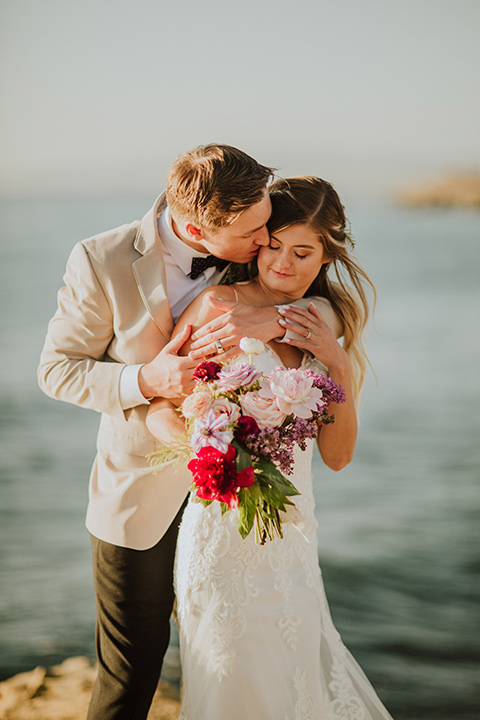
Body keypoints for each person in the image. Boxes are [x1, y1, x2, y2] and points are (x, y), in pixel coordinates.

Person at [37, 144, 315, 720]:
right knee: (132, 668)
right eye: (253, 233)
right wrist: (146, 378)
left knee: (237, 654)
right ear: (196, 227)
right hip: (136, 493)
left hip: (238, 502)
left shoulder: (255, 241)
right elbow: (57, 370)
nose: (266, 242)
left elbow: (325, 297)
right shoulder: (99, 259)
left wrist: (276, 318)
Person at [147, 177, 393, 719]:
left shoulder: (326, 320)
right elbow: (160, 407)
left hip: (292, 537)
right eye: (272, 245)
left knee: (294, 683)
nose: (282, 263)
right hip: (221, 529)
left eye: (303, 252)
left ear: (327, 255)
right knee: (229, 680)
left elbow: (338, 455)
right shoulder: (216, 304)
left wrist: (338, 363)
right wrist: (207, 451)